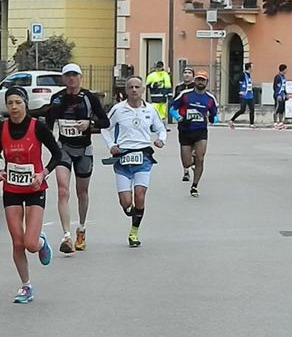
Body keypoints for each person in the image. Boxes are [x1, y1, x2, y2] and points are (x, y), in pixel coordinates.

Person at [0, 86, 62, 304]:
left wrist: (43, 173)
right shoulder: (0, 129)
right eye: (10, 103)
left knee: (29, 243)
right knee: (17, 243)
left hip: (35, 190)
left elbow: (57, 154)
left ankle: (40, 241)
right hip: (11, 189)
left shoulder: (37, 127)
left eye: (18, 102)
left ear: (25, 104)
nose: (14, 107)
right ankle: (26, 286)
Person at [45, 63, 110, 253]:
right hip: (64, 149)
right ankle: (66, 236)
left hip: (83, 150)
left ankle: (81, 228)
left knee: (82, 192)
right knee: (63, 191)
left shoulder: (89, 98)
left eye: (75, 75)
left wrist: (89, 123)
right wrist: (53, 143)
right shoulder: (57, 99)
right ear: (64, 79)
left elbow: (105, 121)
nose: (71, 79)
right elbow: (48, 125)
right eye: (68, 76)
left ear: (80, 77)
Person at [102, 76, 166, 247]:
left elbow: (161, 128)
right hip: (123, 157)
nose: (134, 90)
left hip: (143, 156)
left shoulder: (151, 110)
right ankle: (130, 210)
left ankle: (134, 232)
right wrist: (111, 145)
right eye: (131, 87)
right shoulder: (118, 109)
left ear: (143, 89)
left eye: (138, 87)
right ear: (126, 90)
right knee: (126, 202)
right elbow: (104, 128)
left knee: (140, 194)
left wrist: (161, 139)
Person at [170, 70, 218, 197]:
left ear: (206, 82)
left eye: (203, 80)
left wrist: (214, 119)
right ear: (195, 81)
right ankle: (191, 160)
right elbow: (172, 108)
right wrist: (179, 118)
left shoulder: (210, 98)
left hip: (200, 131)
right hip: (185, 130)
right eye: (198, 79)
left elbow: (214, 114)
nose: (200, 82)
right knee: (187, 163)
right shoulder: (185, 95)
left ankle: (195, 186)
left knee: (200, 158)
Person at [171, 66, 196, 180]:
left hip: (196, 121)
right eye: (185, 72)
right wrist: (177, 116)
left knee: (196, 145)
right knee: (184, 147)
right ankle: (186, 171)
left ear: (193, 76)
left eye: (189, 73)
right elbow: (175, 103)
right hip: (183, 120)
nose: (186, 74)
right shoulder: (179, 88)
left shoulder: (196, 87)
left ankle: (195, 161)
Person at [229, 62, 255, 129]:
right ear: (249, 67)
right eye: (252, 67)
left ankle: (251, 124)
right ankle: (232, 120)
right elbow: (236, 82)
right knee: (242, 109)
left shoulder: (249, 75)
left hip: (250, 95)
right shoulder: (243, 75)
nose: (253, 68)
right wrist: (240, 91)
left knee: (252, 109)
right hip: (244, 95)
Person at [273, 64, 288, 129]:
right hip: (278, 95)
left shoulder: (283, 77)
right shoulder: (277, 77)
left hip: (283, 95)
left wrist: (285, 94)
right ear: (283, 69)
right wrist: (277, 95)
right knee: (277, 108)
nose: (287, 71)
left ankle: (281, 122)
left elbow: (283, 87)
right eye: (286, 69)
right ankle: (275, 122)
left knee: (282, 109)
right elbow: (275, 86)